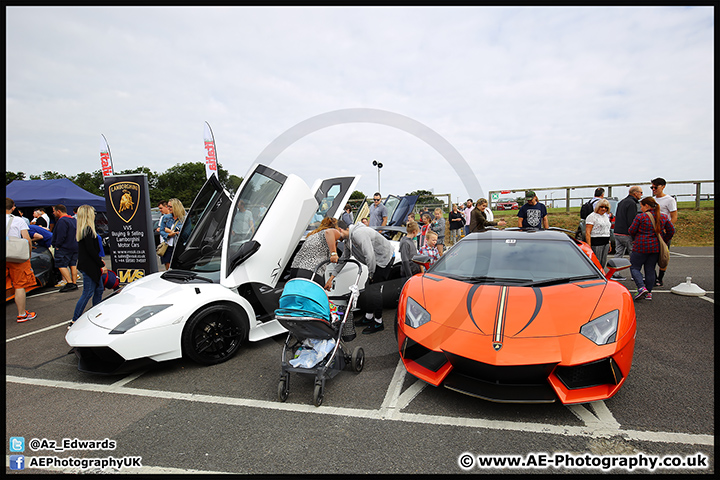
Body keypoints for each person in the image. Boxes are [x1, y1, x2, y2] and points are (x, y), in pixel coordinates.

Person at [326, 220, 395, 334]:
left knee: (374, 290)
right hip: (375, 261)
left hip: (384, 260)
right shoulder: (348, 240)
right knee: (368, 288)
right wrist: (331, 278)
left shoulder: (359, 234)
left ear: (340, 230)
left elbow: (370, 256)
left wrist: (371, 274)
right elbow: (344, 259)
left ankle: (378, 322)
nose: (337, 239)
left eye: (336, 235)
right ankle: (368, 317)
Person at [628, 197, 675, 301]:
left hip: (640, 246)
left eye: (642, 206)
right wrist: (664, 240)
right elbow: (671, 230)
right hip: (655, 247)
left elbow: (631, 230)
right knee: (650, 269)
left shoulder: (641, 217)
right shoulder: (663, 217)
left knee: (635, 267)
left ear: (647, 206)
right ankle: (649, 292)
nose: (641, 208)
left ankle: (641, 287)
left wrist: (635, 237)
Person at [69, 205, 108, 329]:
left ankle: (96, 314)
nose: (95, 214)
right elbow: (91, 251)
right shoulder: (89, 230)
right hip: (90, 266)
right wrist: (101, 263)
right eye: (93, 213)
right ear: (88, 215)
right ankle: (75, 319)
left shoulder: (83, 230)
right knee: (89, 292)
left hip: (87, 265)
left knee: (98, 289)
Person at [6, 198, 37, 323]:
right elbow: (27, 239)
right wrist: (28, 254)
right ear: (13, 207)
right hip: (17, 256)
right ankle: (22, 314)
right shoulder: (18, 220)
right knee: (19, 285)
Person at [289, 217, 343, 285]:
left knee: (298, 294)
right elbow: (329, 232)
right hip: (311, 271)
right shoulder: (328, 232)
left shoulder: (312, 235)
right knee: (315, 294)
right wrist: (334, 254)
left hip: (295, 269)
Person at [612, 186, 643, 280]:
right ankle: (635, 274)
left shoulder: (621, 202)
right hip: (627, 233)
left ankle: (615, 273)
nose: (641, 195)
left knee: (618, 253)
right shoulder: (632, 203)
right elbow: (632, 220)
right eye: (641, 193)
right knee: (633, 254)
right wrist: (634, 235)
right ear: (635, 193)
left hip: (617, 232)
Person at [651, 177, 677, 287]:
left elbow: (674, 216)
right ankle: (653, 277)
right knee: (651, 255)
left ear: (663, 186)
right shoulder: (652, 200)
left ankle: (660, 278)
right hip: (652, 231)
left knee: (663, 256)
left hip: (663, 232)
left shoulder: (669, 200)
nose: (653, 189)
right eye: (652, 187)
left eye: (655, 187)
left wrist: (667, 228)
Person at [52, 204, 79, 291]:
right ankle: (74, 282)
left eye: (54, 211)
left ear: (58, 211)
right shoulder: (74, 220)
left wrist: (57, 245)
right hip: (74, 246)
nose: (53, 213)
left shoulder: (62, 221)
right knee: (73, 264)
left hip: (64, 247)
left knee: (61, 264)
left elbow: (61, 235)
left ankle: (69, 282)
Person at [585, 199, 612, 269]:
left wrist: (609, 243)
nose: (604, 209)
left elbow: (607, 230)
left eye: (606, 207)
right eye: (602, 207)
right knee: (597, 262)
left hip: (605, 241)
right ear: (598, 207)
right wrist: (589, 245)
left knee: (603, 262)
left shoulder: (606, 216)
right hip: (596, 241)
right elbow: (588, 232)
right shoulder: (592, 216)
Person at [160, 198, 186, 270]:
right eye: (168, 206)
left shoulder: (184, 218)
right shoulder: (165, 217)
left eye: (170, 206)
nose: (168, 208)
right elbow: (161, 230)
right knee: (168, 267)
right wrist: (169, 234)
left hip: (179, 246)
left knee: (179, 267)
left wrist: (170, 231)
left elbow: (186, 232)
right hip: (168, 245)